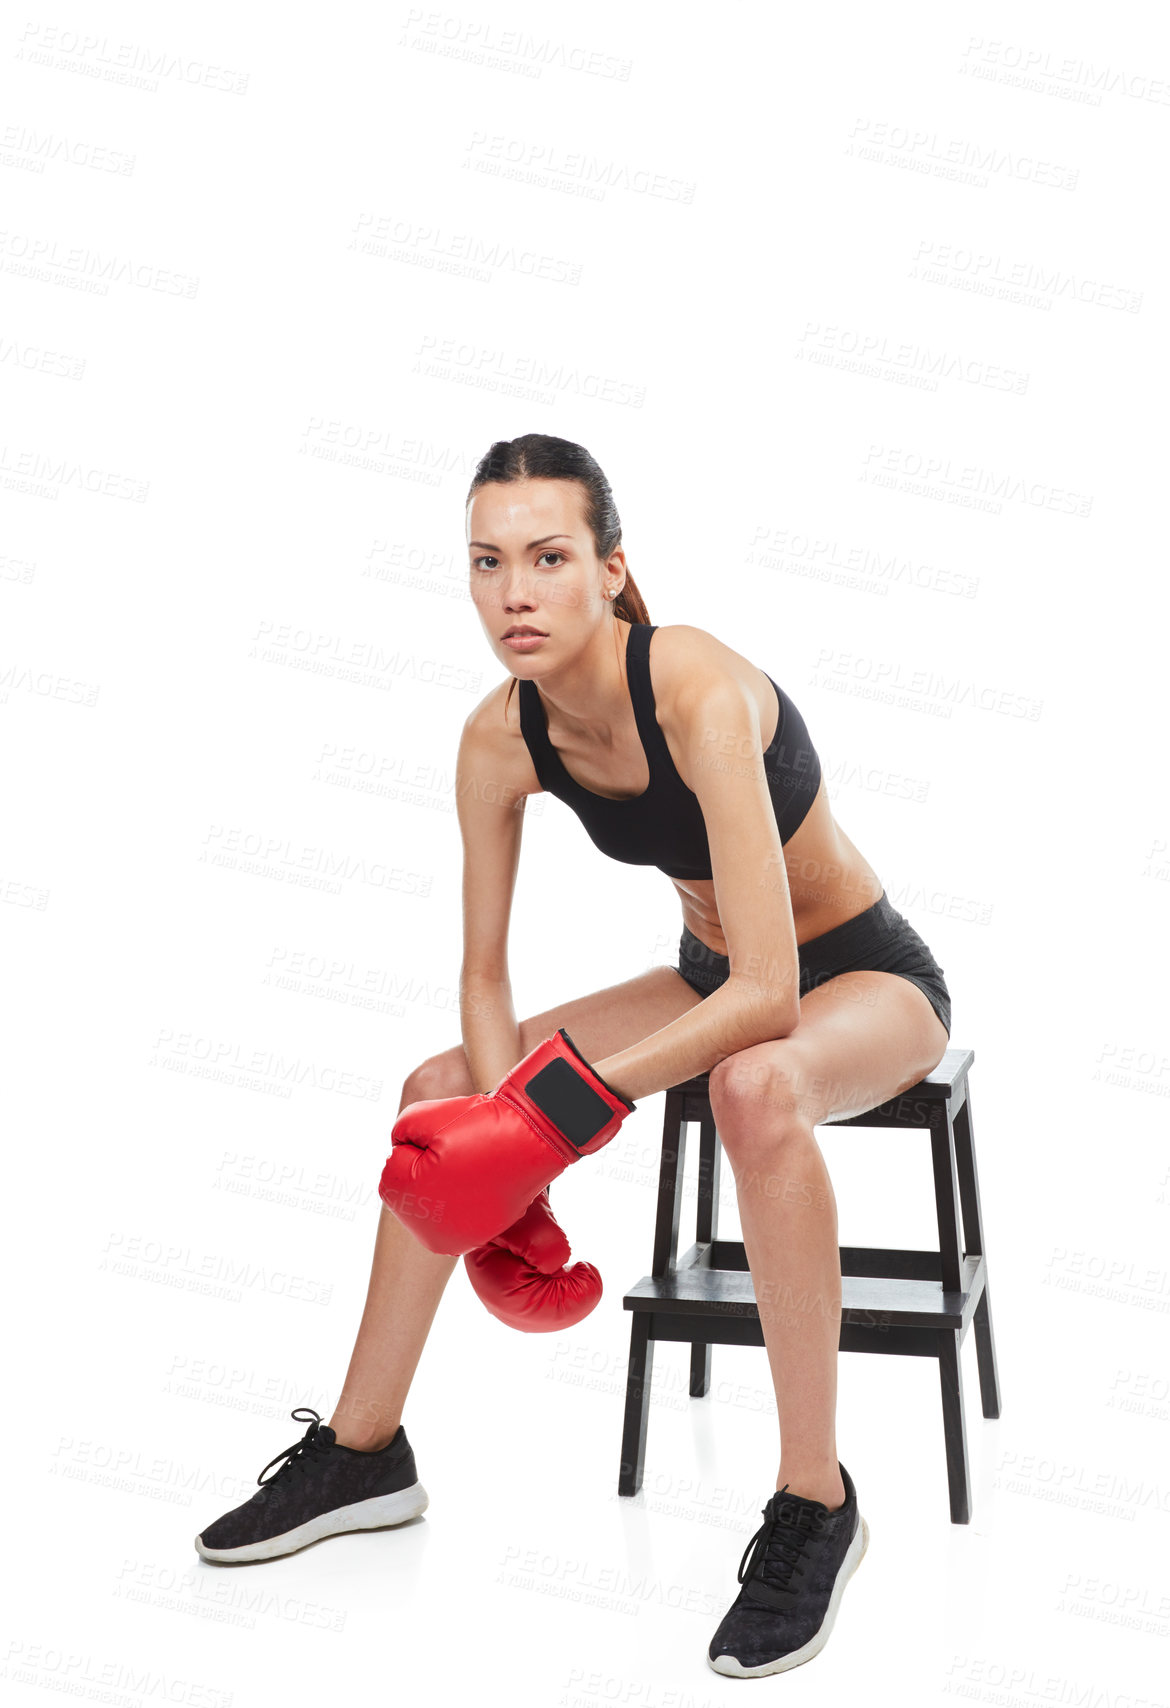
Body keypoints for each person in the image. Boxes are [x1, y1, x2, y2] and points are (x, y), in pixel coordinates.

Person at [195, 433, 951, 1680]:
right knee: (438, 1094)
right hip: (709, 975)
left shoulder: (696, 686)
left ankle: (816, 1500)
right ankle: (364, 1449)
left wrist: (544, 1122)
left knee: (753, 1085)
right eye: (488, 562)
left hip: (861, 976)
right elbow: (485, 977)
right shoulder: (499, 737)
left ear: (610, 571)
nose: (515, 593)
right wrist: (506, 1166)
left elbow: (771, 993)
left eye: (548, 557)